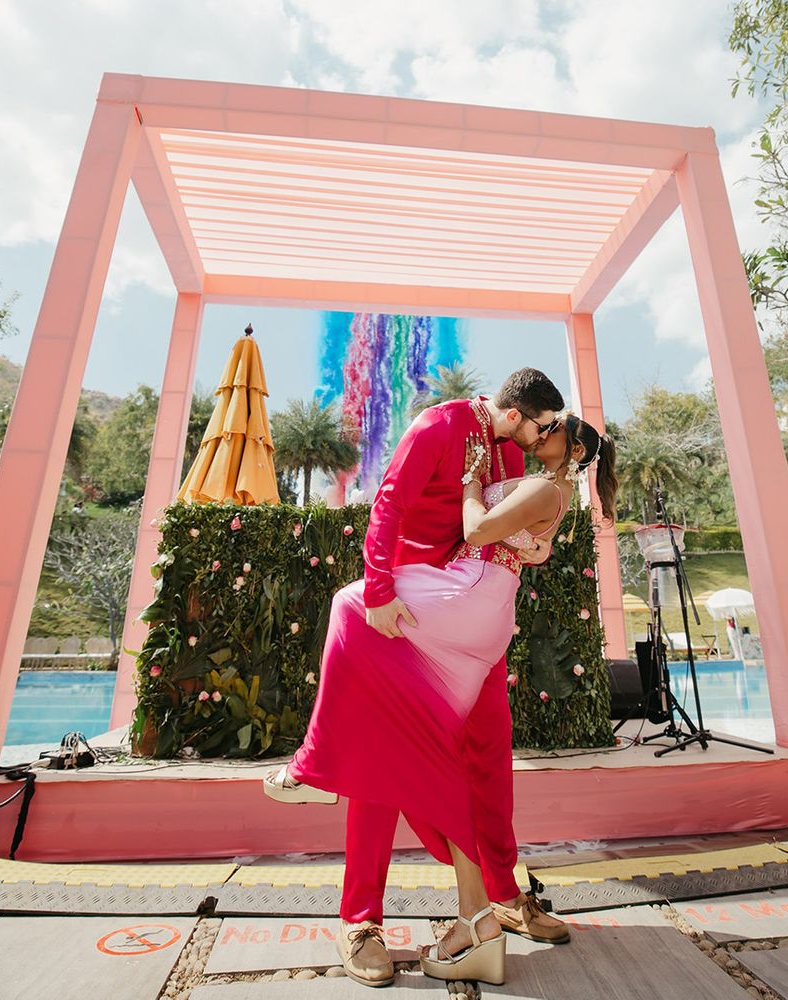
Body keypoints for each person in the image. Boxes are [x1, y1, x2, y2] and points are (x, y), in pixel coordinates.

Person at [264, 375, 616, 987]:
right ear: (519, 413)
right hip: (412, 610)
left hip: (471, 622)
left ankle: (502, 899)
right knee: (382, 754)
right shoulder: (439, 426)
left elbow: (517, 526)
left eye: (556, 429)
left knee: (488, 764)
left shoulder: (513, 449)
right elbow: (389, 506)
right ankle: (361, 920)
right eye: (547, 423)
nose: (550, 434)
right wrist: (376, 590)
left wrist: (538, 545)